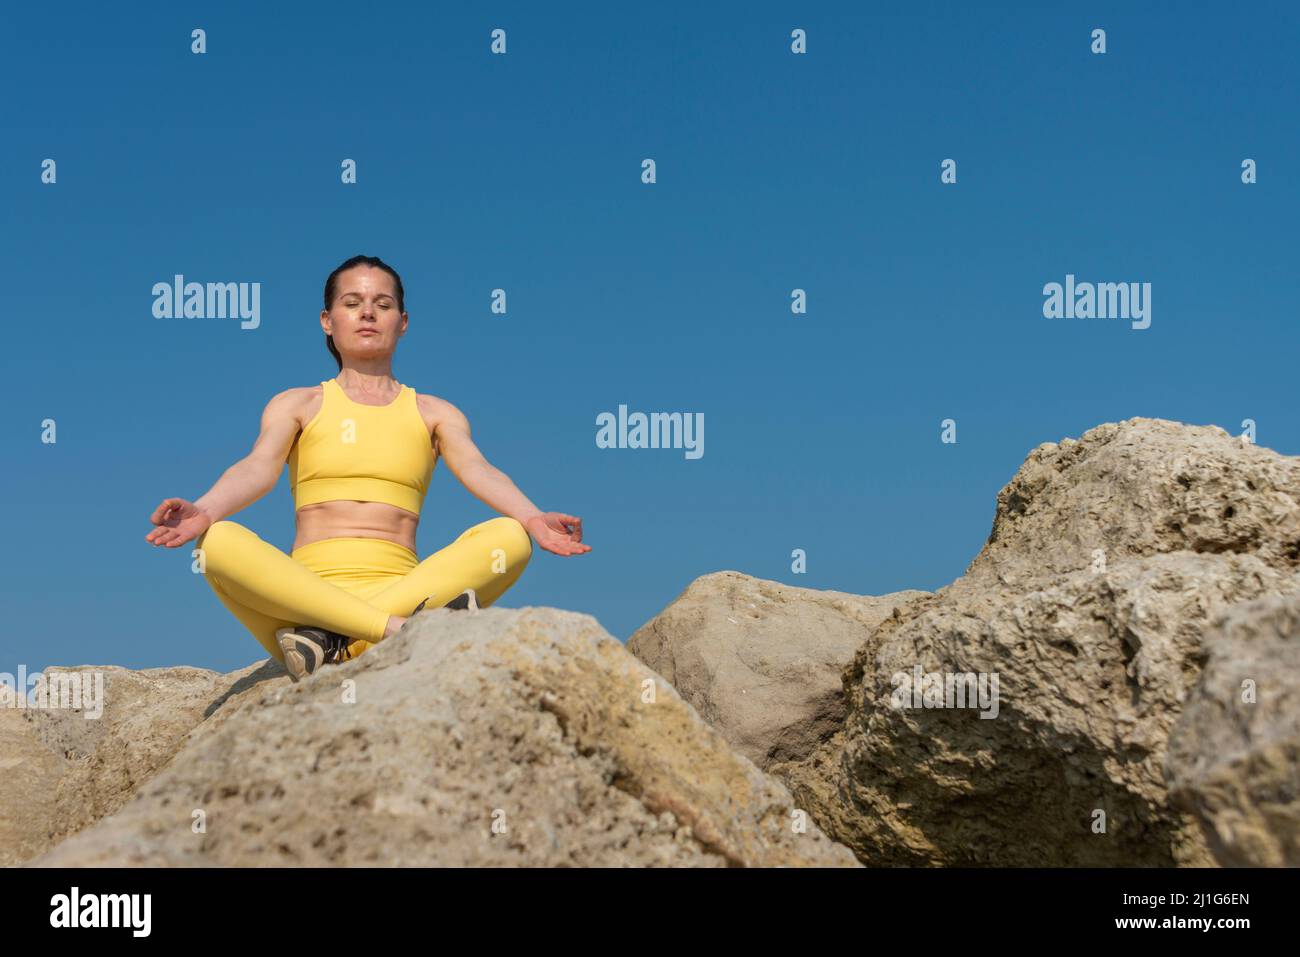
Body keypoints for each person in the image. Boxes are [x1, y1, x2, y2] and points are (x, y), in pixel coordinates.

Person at [144, 254, 591, 681]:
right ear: (327, 321)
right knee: (217, 541)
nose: (368, 314)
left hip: (392, 596)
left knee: (510, 538)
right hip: (301, 600)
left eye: (383, 304)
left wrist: (532, 518)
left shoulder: (435, 412)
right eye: (352, 303)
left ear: (403, 322)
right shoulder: (299, 403)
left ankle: (336, 643)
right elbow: (257, 466)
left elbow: (479, 469)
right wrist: (205, 508)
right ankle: (395, 632)